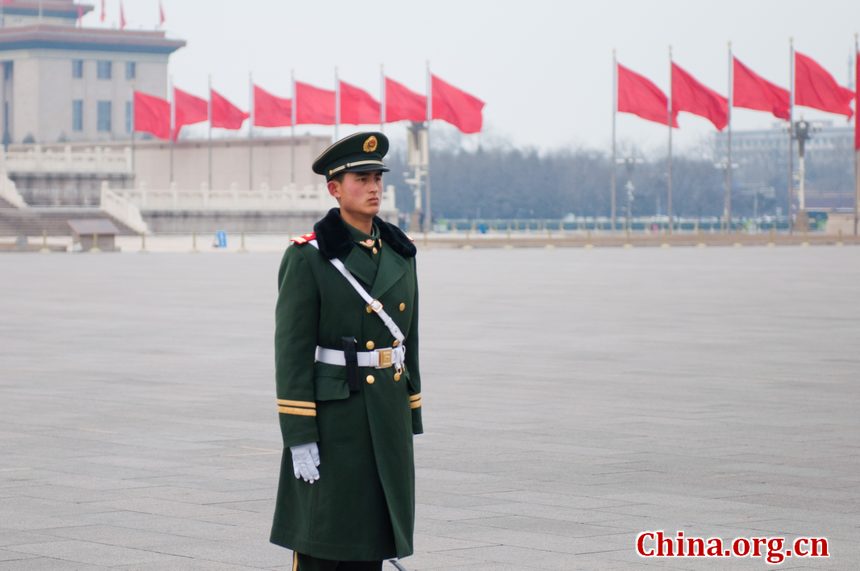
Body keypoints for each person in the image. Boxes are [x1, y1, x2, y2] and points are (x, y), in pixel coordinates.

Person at [270, 131, 423, 571]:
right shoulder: (309, 257)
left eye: (377, 177)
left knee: (372, 540)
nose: (374, 187)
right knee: (326, 540)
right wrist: (298, 434)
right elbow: (292, 352)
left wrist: (410, 408)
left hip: (385, 411)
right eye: (362, 178)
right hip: (335, 418)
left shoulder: (399, 251)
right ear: (334, 188)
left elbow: (408, 339)